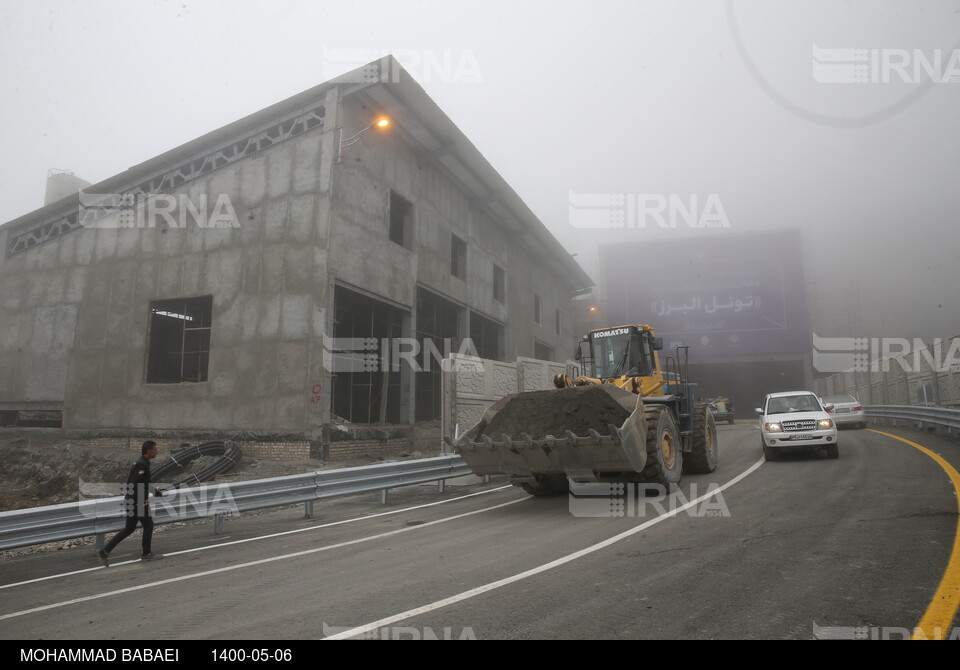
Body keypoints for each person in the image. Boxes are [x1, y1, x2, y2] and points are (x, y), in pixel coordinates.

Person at [96, 440, 164, 566]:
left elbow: (143, 483)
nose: (157, 451)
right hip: (137, 501)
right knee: (148, 525)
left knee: (129, 528)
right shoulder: (142, 465)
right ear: (148, 451)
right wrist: (143, 499)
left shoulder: (142, 463)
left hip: (132, 500)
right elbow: (135, 484)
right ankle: (146, 553)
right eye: (155, 449)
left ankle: (104, 551)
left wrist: (155, 492)